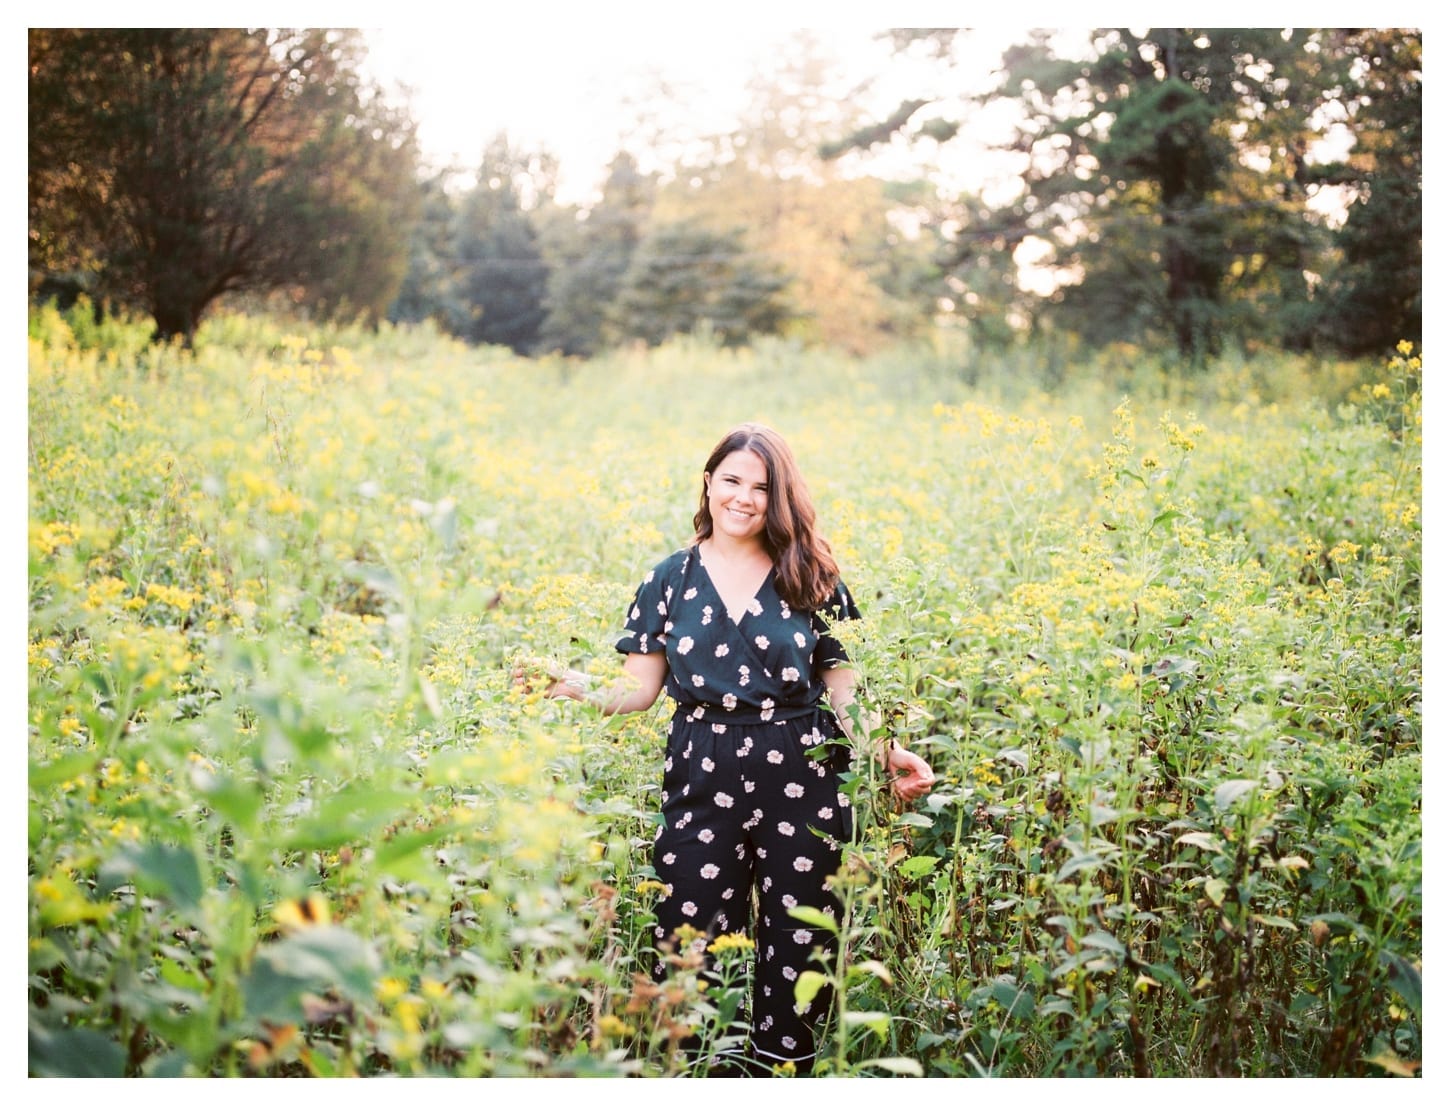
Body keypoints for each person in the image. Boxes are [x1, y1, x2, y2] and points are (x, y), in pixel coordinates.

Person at [517, 422, 934, 1075]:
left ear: (780, 497)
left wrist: (889, 752)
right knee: (690, 927)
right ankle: (704, 1070)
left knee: (801, 933)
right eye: (732, 480)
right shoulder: (669, 579)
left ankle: (779, 1071)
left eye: (761, 487)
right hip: (701, 767)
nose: (743, 498)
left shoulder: (812, 573)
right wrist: (572, 686)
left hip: (803, 765)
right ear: (708, 481)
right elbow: (639, 690)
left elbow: (848, 694)